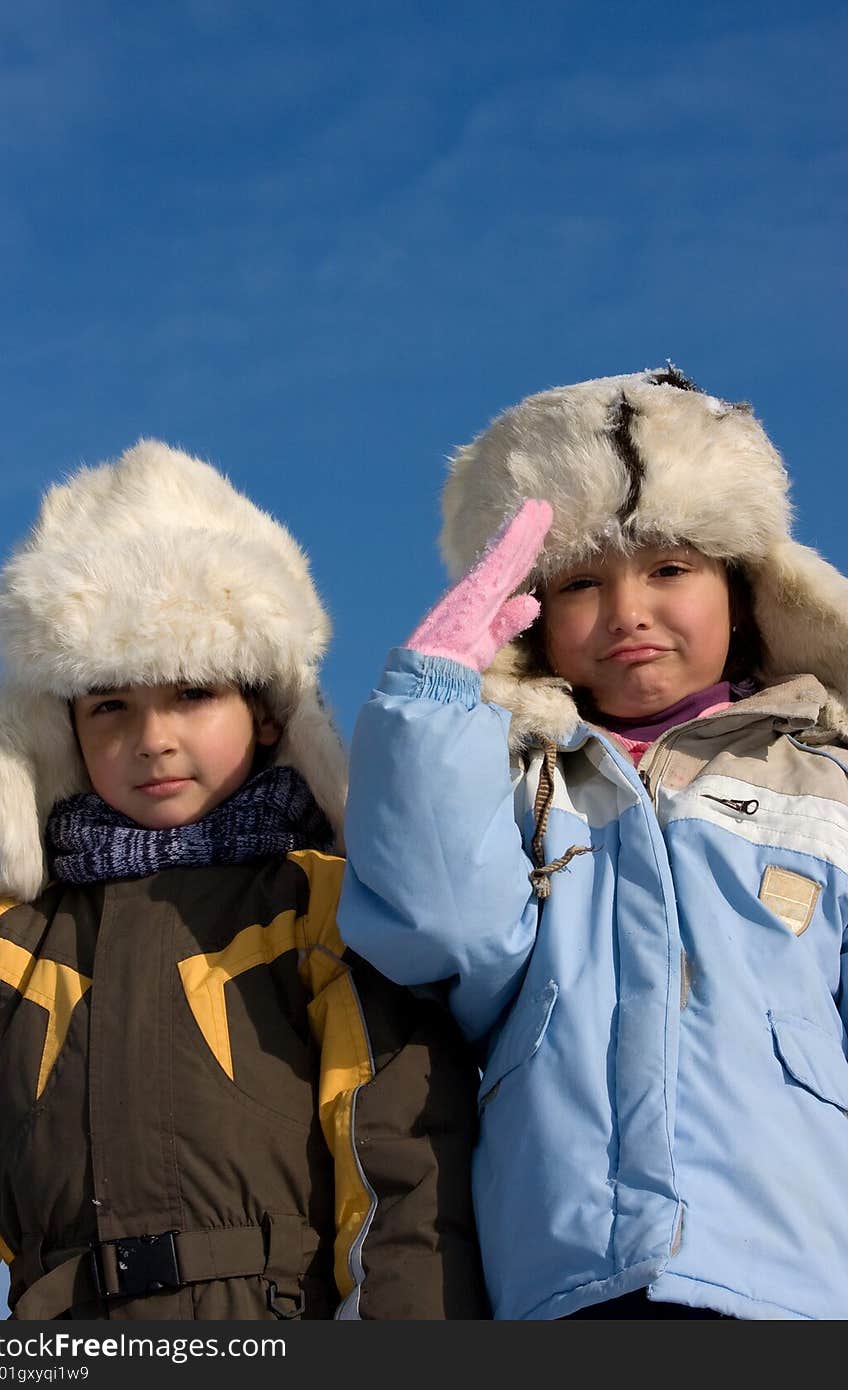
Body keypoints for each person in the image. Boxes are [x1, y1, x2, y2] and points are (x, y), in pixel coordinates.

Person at [339, 365, 848, 1320]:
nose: (628, 614)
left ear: (741, 590)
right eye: (580, 582)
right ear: (529, 620)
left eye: (669, 568)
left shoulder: (824, 778)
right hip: (567, 1271)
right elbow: (438, 930)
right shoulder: (521, 780)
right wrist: (433, 704)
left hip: (797, 1275)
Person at [0, 439, 487, 1321]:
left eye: (194, 693)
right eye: (110, 705)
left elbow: (404, 1168)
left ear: (272, 711)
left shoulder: (327, 906)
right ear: (60, 731)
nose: (153, 738)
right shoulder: (1, 944)